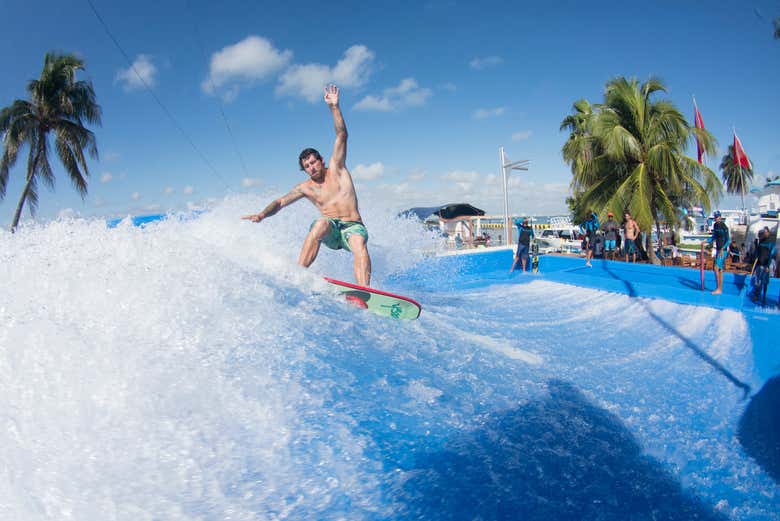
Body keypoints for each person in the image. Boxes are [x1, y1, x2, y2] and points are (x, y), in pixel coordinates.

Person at [242, 85, 371, 286]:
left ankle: (365, 291)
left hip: (352, 227)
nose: (311, 167)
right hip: (331, 230)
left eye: (313, 162)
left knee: (358, 242)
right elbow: (280, 202)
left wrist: (334, 107)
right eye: (307, 166)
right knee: (320, 223)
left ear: (321, 160)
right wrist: (262, 214)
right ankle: (297, 274)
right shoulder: (306, 187)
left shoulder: (337, 168)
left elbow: (342, 135)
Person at [702, 210, 730, 295]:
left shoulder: (724, 226)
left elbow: (728, 240)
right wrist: (706, 241)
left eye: (718, 217)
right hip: (718, 249)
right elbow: (714, 236)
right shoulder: (715, 225)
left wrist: (722, 249)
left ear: (720, 217)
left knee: (716, 268)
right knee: (720, 270)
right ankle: (719, 289)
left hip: (723, 250)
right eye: (715, 217)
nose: (717, 218)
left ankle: (718, 289)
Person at [750, 228, 776, 305]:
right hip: (759, 265)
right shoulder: (761, 241)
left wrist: (768, 266)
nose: (764, 234)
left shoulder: (771, 242)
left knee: (765, 282)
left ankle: (764, 297)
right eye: (763, 232)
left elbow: (771, 255)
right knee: (758, 281)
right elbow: (757, 254)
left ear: (768, 232)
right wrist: (756, 244)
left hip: (766, 265)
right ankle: (756, 296)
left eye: (765, 232)